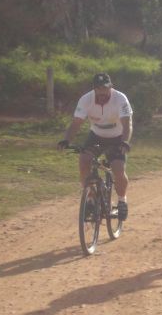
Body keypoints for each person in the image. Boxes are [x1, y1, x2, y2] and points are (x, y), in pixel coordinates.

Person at [57, 73, 133, 221]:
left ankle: (122, 200)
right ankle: (91, 199)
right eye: (98, 89)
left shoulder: (120, 99)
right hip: (96, 136)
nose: (102, 92)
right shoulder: (86, 100)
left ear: (110, 87)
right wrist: (66, 140)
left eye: (105, 88)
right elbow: (76, 123)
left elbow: (127, 124)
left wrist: (125, 141)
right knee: (84, 161)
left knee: (118, 169)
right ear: (94, 89)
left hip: (117, 137)